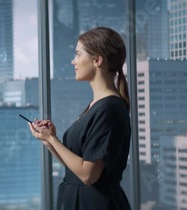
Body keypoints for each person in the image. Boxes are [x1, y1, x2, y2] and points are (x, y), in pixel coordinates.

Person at [28, 27, 131, 210]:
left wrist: (51, 139)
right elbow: (76, 169)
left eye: (77, 54)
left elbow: (88, 175)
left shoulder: (109, 109)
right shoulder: (96, 106)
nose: (73, 61)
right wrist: (50, 141)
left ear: (97, 60)